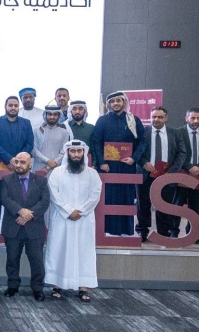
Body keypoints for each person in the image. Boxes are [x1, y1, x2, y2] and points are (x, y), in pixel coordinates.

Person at [45, 141, 101, 302]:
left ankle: (83, 287)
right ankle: (57, 285)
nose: (76, 154)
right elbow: (54, 194)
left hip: (84, 220)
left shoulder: (92, 174)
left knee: (84, 252)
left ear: (83, 153)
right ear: (67, 153)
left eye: (79, 151)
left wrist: (80, 211)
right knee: (58, 250)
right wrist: (69, 211)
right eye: (73, 151)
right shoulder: (57, 173)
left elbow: (95, 195)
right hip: (61, 219)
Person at [91, 91, 146, 236]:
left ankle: (125, 231)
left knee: (126, 197)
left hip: (127, 166)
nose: (115, 103)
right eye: (112, 101)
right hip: (107, 167)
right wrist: (102, 163)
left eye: (118, 100)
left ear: (124, 102)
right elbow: (96, 143)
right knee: (108, 197)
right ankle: (107, 230)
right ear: (109, 104)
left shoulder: (133, 120)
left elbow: (142, 142)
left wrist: (134, 158)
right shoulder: (102, 120)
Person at [0, 153, 50, 301]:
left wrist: (28, 215)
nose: (19, 165)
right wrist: (20, 211)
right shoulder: (7, 180)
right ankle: (12, 286)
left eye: (22, 162)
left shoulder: (41, 181)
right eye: (17, 162)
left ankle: (37, 288)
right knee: (12, 259)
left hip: (34, 227)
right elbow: (5, 199)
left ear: (30, 165)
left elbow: (44, 202)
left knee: (36, 261)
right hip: (13, 226)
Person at [136, 107, 187, 240]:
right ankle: (142, 230)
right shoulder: (142, 132)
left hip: (166, 176)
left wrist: (171, 172)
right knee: (143, 204)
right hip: (145, 175)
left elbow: (182, 153)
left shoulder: (175, 133)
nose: (156, 119)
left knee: (164, 204)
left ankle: (163, 232)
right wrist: (143, 163)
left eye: (160, 117)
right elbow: (135, 151)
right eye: (154, 117)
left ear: (166, 118)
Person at [0, 96, 35, 232]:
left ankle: (16, 231)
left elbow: (29, 144)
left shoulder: (26, 123)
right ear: (5, 106)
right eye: (10, 105)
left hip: (21, 168)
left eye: (15, 105)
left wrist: (17, 160)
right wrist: (10, 159)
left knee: (18, 198)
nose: (13, 108)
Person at [176, 108, 199, 241]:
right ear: (186, 118)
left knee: (194, 206)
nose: (196, 121)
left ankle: (192, 235)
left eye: (198, 118)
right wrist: (189, 167)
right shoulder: (178, 132)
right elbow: (176, 152)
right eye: (193, 118)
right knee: (178, 205)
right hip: (183, 172)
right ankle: (173, 232)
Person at [32, 105, 70, 173]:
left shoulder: (64, 133)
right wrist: (48, 161)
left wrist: (48, 167)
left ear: (59, 116)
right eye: (49, 114)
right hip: (39, 167)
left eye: (55, 114)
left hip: (56, 168)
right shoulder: (37, 131)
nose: (52, 117)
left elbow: (64, 152)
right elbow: (34, 150)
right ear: (45, 115)